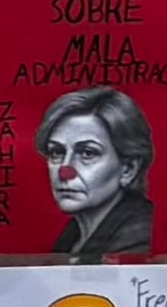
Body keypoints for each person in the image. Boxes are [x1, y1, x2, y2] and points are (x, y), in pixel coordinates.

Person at [31, 87, 158, 262]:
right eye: (56, 152)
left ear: (128, 169)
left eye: (88, 153)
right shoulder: (72, 237)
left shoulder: (139, 240)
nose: (65, 171)